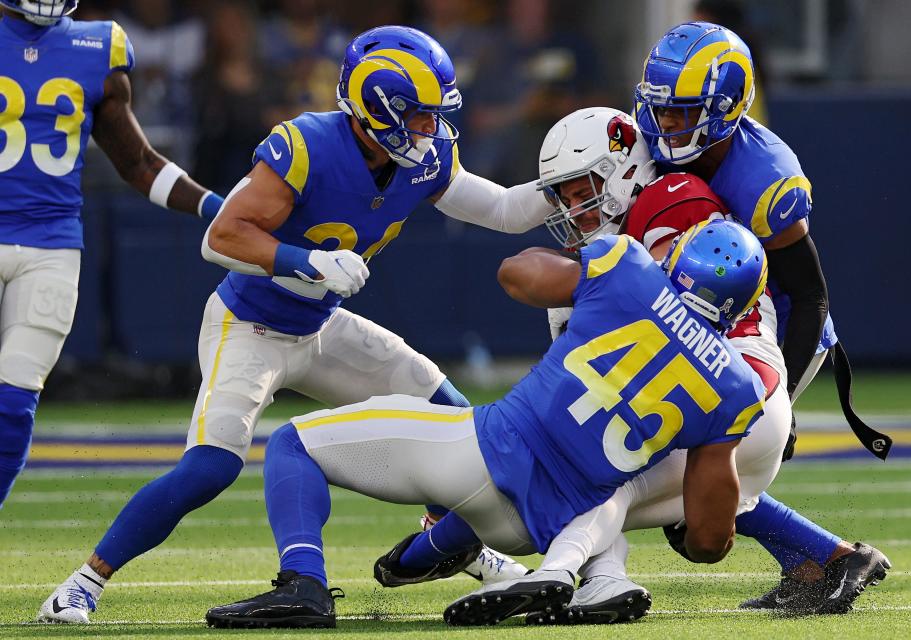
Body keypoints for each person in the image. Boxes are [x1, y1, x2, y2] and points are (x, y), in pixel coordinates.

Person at [37, 24, 556, 624]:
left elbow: (502, 210)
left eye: (435, 116)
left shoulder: (424, 157)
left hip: (319, 325)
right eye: (417, 116)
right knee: (211, 467)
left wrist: (576, 180)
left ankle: (454, 544)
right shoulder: (307, 145)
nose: (430, 130)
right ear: (376, 107)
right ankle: (84, 582)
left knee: (457, 422)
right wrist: (304, 258)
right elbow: (221, 237)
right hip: (249, 325)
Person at [389, 107, 887, 620]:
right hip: (722, 390)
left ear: (623, 169)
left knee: (586, 474)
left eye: (584, 191)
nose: (573, 210)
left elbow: (689, 322)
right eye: (564, 196)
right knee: (606, 472)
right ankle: (827, 559)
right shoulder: (611, 250)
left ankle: (568, 574)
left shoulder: (667, 204)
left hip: (730, 379)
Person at [202, 217, 769, 628]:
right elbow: (708, 537)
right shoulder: (737, 389)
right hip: (536, 529)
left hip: (480, 452)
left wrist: (590, 265)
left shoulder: (631, 269)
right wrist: (701, 545)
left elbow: (515, 274)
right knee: (608, 498)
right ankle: (443, 565)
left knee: (294, 443)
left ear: (681, 260)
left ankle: (303, 581)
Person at [633, 22, 893, 608]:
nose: (664, 126)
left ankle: (830, 559)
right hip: (693, 318)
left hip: (763, 330)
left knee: (695, 480)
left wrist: (778, 402)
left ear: (724, 107)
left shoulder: (765, 178)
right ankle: (825, 562)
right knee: (686, 483)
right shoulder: (649, 129)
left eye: (682, 113)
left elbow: (809, 295)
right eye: (661, 110)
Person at [0, 0, 223, 513]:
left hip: (51, 247)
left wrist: (217, 206)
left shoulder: (96, 45)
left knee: (14, 405)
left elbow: (139, 161)